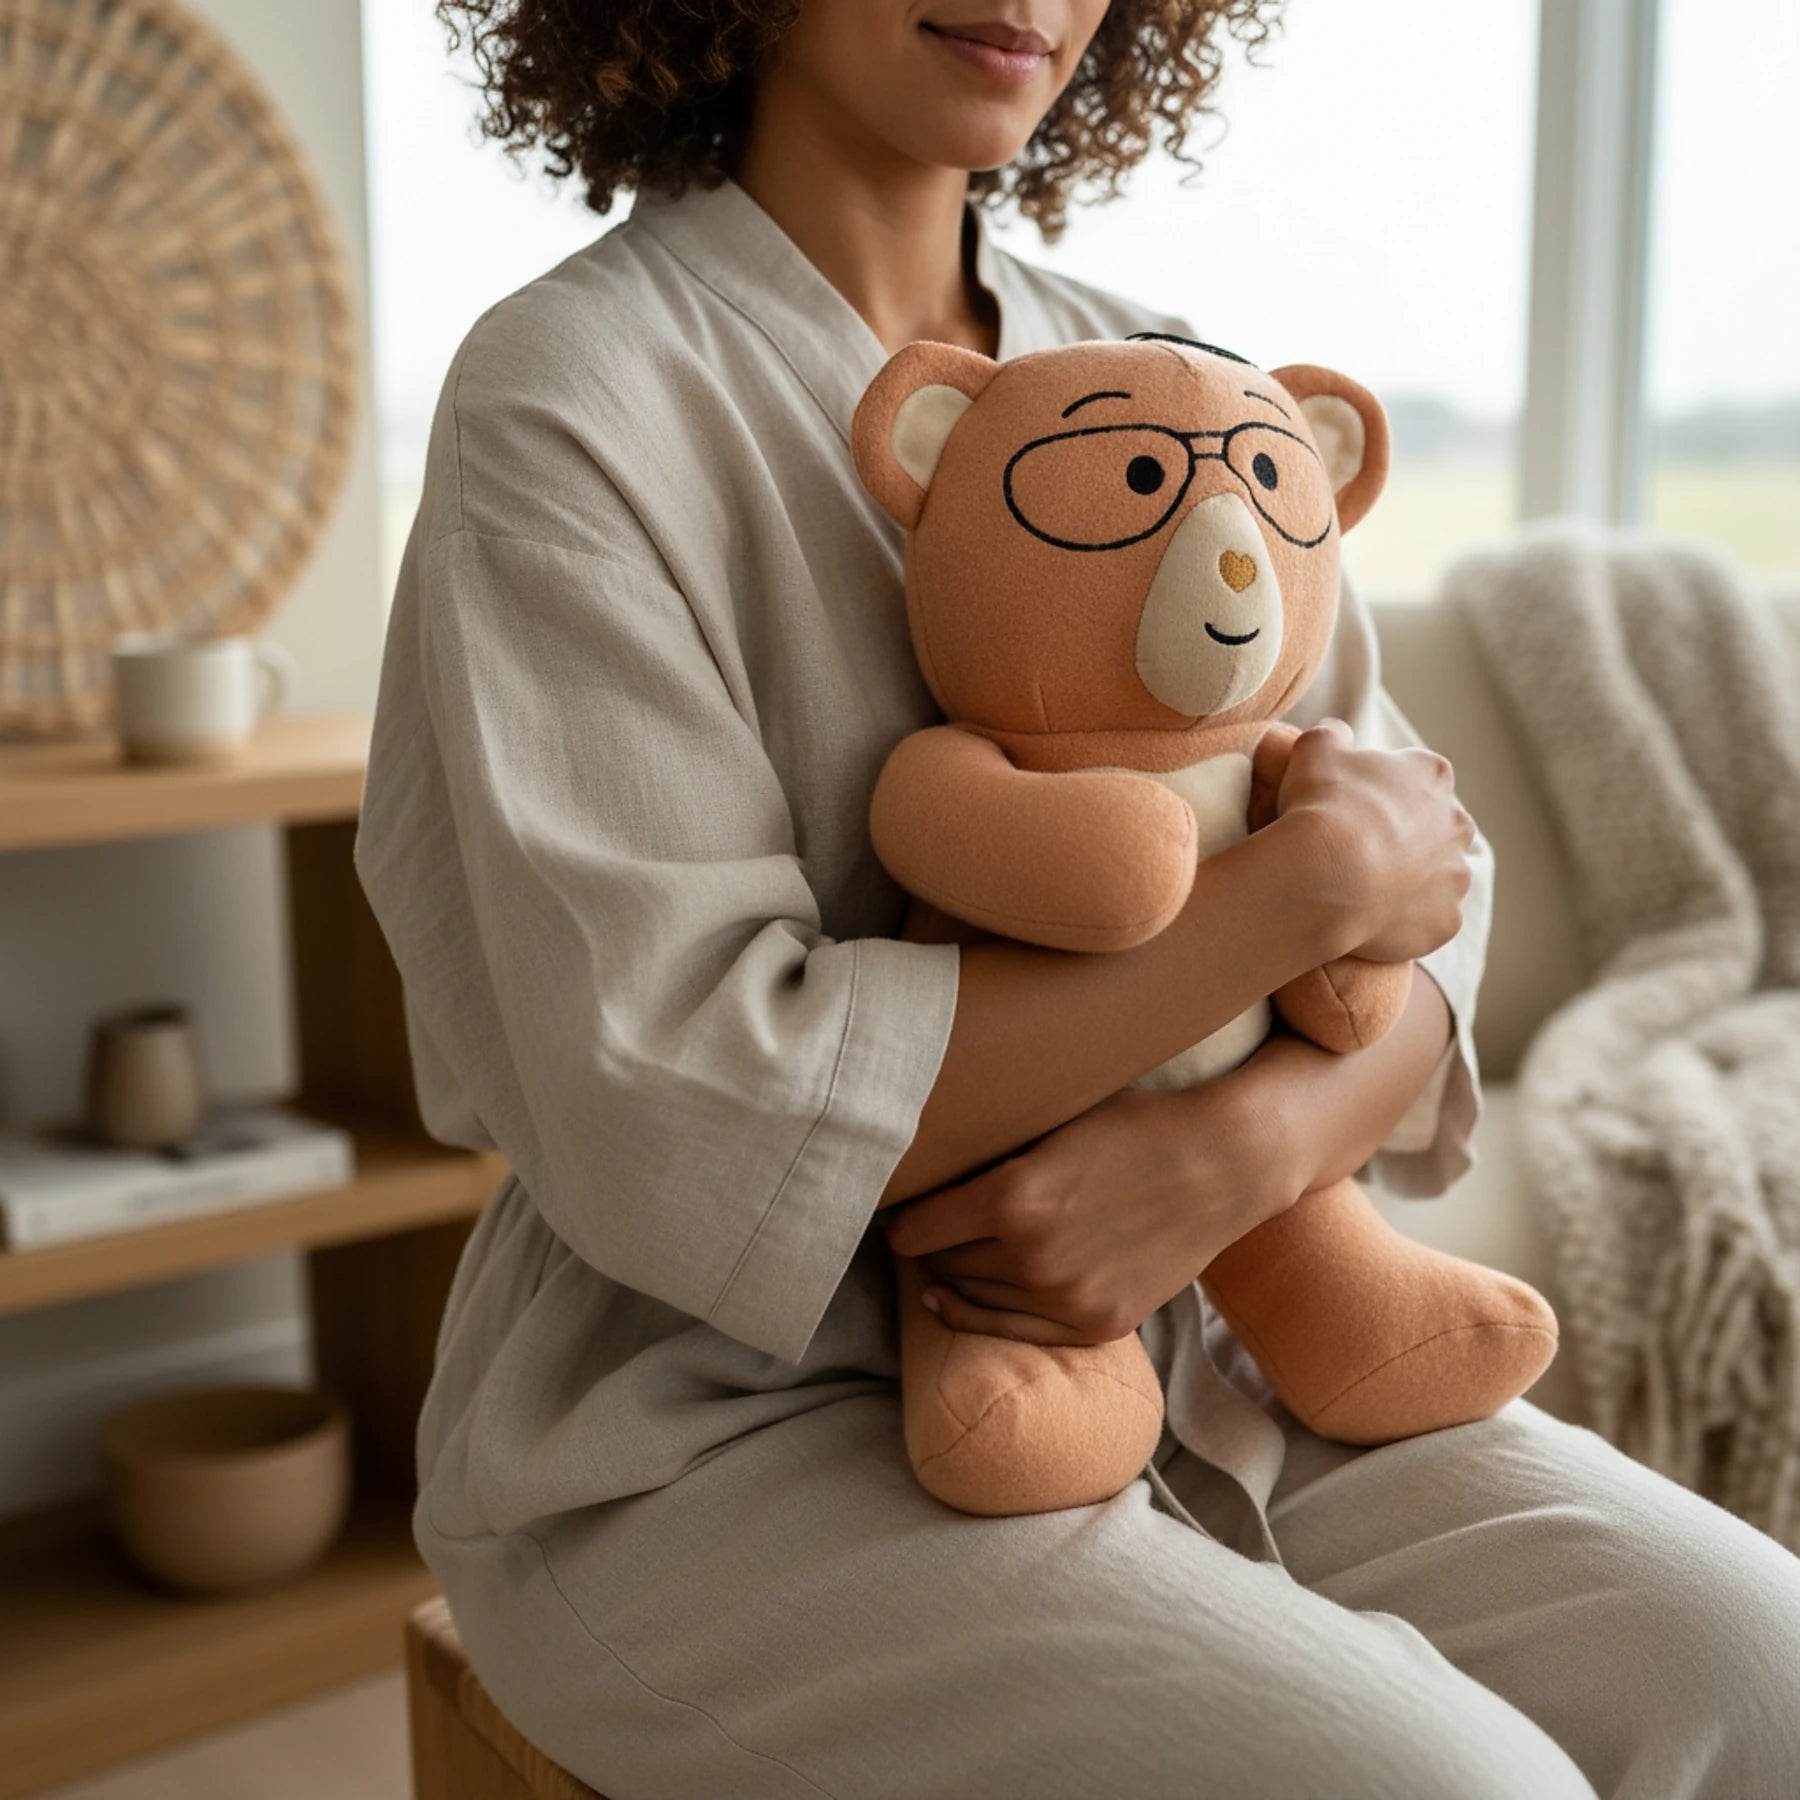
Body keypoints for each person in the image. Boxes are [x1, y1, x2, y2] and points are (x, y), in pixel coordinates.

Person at [352, 3, 1800, 1795]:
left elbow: (1425, 895)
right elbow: (683, 1097)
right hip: (711, 1428)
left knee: (1765, 1671)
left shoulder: (1161, 369)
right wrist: (1290, 901)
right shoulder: (572, 403)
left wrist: (1234, 1153)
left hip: (1218, 1329)